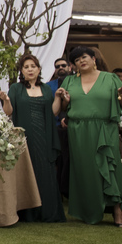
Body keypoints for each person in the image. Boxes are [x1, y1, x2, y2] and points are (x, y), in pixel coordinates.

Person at [53, 46, 122, 227]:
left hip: (105, 128)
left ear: (94, 59)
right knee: (85, 170)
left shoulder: (110, 78)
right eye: (77, 60)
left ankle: (117, 211)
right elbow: (63, 108)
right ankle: (90, 211)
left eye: (84, 57)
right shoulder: (69, 81)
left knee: (109, 167)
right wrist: (65, 101)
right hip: (78, 130)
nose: (81, 61)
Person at [0, 54, 64, 222]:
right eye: (26, 67)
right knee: (27, 171)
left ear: (39, 69)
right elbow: (8, 112)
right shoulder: (16, 88)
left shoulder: (46, 89)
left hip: (45, 136)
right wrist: (6, 100)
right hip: (24, 136)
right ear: (21, 71)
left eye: (33, 66)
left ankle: (47, 212)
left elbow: (53, 112)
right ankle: (27, 213)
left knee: (45, 171)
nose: (30, 70)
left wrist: (58, 97)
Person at [46, 57, 72, 196]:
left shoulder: (77, 82)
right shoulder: (48, 86)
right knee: (60, 159)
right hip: (56, 128)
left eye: (63, 65)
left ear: (70, 67)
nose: (60, 68)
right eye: (57, 66)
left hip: (75, 125)